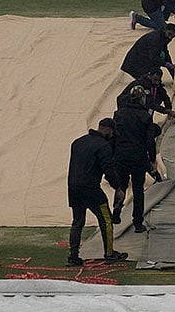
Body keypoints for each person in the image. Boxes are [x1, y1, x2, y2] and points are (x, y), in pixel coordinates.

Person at [66, 118, 129, 266]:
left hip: (73, 187)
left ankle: (73, 256)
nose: (112, 136)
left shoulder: (78, 142)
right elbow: (108, 169)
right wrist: (118, 188)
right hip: (91, 189)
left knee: (77, 221)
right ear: (107, 129)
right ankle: (109, 253)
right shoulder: (103, 146)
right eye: (112, 133)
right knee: (106, 219)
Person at [112, 86, 159, 233]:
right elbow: (149, 140)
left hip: (121, 155)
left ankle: (117, 207)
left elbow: (114, 136)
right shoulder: (145, 116)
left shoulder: (119, 114)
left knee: (121, 185)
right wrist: (152, 159)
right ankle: (138, 222)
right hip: (137, 156)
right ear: (142, 100)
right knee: (138, 191)